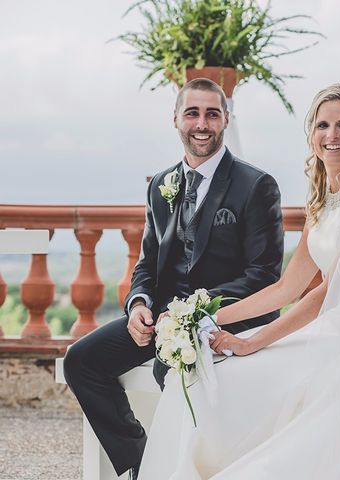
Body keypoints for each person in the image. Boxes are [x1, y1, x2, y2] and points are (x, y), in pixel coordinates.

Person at [137, 83, 340, 479]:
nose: (332, 135)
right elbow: (288, 287)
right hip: (334, 324)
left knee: (246, 376)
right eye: (323, 125)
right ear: (311, 133)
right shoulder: (322, 196)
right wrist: (200, 316)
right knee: (212, 376)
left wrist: (252, 341)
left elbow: (330, 291)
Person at [63, 78, 284, 480]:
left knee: (172, 369)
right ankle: (143, 463)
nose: (202, 124)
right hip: (160, 317)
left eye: (212, 114)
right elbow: (147, 263)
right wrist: (140, 304)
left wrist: (191, 312)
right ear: (176, 120)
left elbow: (263, 275)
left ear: (226, 120)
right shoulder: (161, 185)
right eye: (193, 113)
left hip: (224, 319)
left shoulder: (256, 186)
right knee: (81, 361)